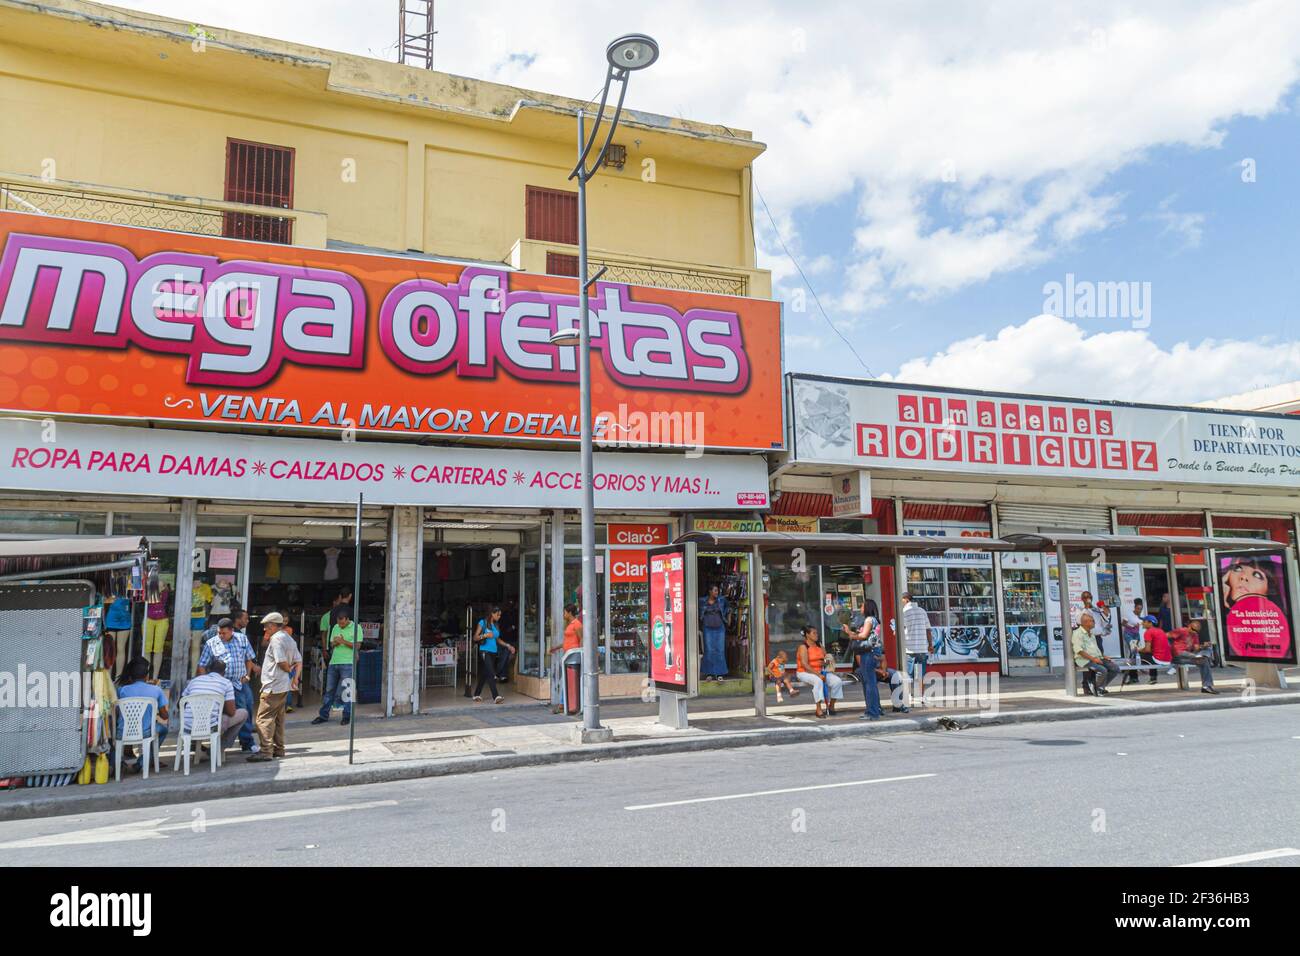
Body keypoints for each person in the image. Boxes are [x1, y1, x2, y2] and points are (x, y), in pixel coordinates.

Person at [196, 617, 259, 753]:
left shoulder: (242, 639)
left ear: (232, 631)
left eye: (224, 633)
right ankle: (227, 744)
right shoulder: (211, 643)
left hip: (239, 682)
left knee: (246, 710)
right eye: (219, 633)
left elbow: (249, 659)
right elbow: (201, 665)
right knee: (229, 713)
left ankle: (246, 742)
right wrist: (206, 683)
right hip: (220, 686)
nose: (221, 636)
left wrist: (247, 675)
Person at [247, 612, 300, 762]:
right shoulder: (288, 639)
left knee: (262, 719)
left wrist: (289, 670)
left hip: (273, 685)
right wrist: (293, 676)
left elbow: (281, 662)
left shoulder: (276, 639)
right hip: (282, 685)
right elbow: (298, 659)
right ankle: (279, 749)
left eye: (266, 626)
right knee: (278, 719)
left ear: (272, 626)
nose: (265, 629)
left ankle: (266, 751)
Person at [183, 658, 248, 757]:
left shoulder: (194, 681)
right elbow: (231, 712)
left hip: (187, 727)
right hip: (211, 728)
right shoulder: (226, 683)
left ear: (208, 670)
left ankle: (195, 745)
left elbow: (181, 703)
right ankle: (218, 748)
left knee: (196, 715)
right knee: (243, 713)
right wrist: (219, 708)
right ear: (224, 672)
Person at [116, 656, 169, 774]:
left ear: (131, 676)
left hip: (123, 730)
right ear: (146, 676)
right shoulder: (156, 690)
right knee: (163, 730)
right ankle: (140, 763)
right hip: (146, 731)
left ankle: (118, 764)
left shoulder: (121, 690)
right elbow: (164, 716)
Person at [313, 606, 360, 725]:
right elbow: (332, 643)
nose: (341, 625)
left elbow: (358, 646)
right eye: (339, 623)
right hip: (334, 662)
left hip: (348, 663)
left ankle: (346, 716)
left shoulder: (356, 627)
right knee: (329, 690)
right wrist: (335, 642)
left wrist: (343, 641)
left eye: (343, 623)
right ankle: (323, 715)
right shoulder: (335, 627)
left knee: (347, 690)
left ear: (347, 619)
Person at [795, 626, 843, 718]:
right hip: (804, 672)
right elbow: (804, 664)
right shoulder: (803, 647)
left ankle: (831, 706)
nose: (817, 635)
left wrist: (825, 662)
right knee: (818, 681)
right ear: (807, 635)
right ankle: (818, 709)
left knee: (837, 681)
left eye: (817, 633)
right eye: (814, 633)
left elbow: (825, 658)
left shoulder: (819, 645)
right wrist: (818, 675)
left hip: (820, 671)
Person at [1072, 611, 1119, 696]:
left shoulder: (1092, 634)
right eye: (1092, 621)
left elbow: (1096, 649)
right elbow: (1079, 650)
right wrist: (1094, 659)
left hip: (1096, 658)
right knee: (1102, 670)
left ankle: (1099, 687)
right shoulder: (1077, 634)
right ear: (1085, 623)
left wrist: (1103, 656)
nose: (1094, 622)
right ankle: (1098, 688)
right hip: (1084, 660)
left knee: (1115, 668)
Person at [547, 604, 583, 714]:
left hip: (573, 656)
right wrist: (556, 648)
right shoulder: (569, 624)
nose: (564, 614)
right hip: (568, 656)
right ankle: (564, 704)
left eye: (565, 612)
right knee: (567, 680)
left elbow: (581, 639)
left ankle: (563, 704)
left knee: (566, 680)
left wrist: (580, 653)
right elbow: (567, 641)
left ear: (570, 613)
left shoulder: (576, 624)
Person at [1170, 619, 1219, 695]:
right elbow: (1165, 635)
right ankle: (1202, 657)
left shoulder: (1195, 635)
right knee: (1201, 659)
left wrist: (1203, 646)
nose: (1194, 632)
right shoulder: (1181, 630)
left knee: (1205, 659)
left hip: (1188, 656)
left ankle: (1206, 686)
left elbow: (1196, 648)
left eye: (1196, 631)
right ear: (1189, 626)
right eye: (1193, 629)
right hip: (1178, 655)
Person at [901, 592, 933, 706]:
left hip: (909, 649)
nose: (901, 602)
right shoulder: (922, 611)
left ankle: (909, 695)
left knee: (909, 674)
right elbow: (928, 630)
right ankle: (922, 697)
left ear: (906, 599)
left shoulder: (904, 612)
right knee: (921, 674)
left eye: (902, 599)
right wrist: (930, 645)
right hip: (922, 648)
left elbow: (900, 630)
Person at [472, 606, 505, 704]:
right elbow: (475, 637)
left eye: (500, 615)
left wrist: (507, 645)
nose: (499, 617)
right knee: (491, 673)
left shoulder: (496, 625)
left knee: (485, 674)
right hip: (484, 651)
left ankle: (476, 694)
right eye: (497, 615)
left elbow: (497, 639)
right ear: (492, 614)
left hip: (493, 652)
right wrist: (485, 635)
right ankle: (496, 696)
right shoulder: (482, 622)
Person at [699, 585, 729, 682]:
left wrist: (728, 618)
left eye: (717, 591)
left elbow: (728, 608)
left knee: (720, 650)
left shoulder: (721, 600)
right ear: (710, 591)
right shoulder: (702, 601)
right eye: (715, 590)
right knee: (709, 650)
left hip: (720, 628)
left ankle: (719, 674)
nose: (717, 592)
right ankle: (709, 673)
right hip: (707, 628)